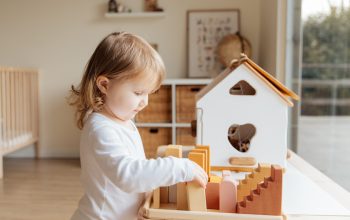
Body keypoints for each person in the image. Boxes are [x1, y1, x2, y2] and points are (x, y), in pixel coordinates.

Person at [68, 32, 208, 220]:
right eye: (138, 92)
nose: (145, 102)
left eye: (149, 93)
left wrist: (146, 197)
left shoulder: (124, 122)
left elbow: (136, 170)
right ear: (104, 85)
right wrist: (178, 167)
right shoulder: (100, 129)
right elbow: (128, 175)